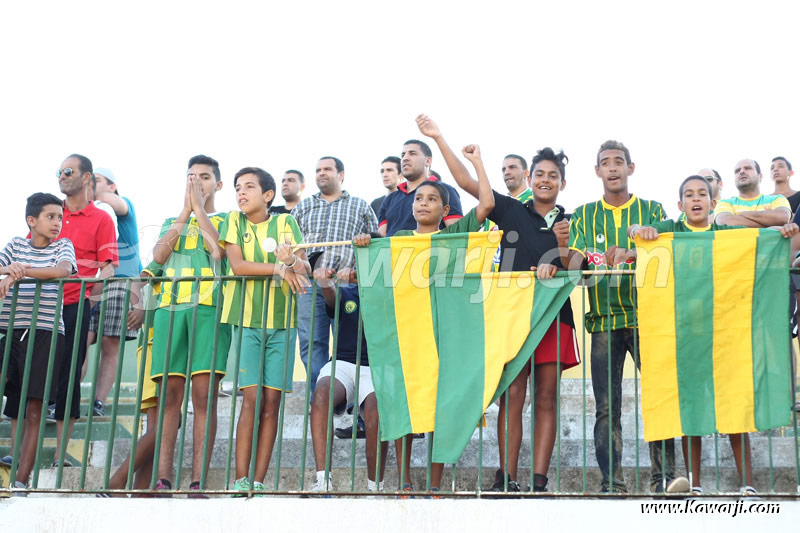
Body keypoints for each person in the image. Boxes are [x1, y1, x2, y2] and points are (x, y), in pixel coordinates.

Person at [415, 115, 580, 493]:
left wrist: (561, 248)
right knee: (512, 396)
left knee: (546, 399)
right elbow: (465, 183)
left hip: (555, 318)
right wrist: (440, 138)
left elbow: (578, 267)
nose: (545, 180)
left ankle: (538, 480)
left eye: (553, 175)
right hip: (511, 318)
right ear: (529, 177)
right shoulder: (510, 208)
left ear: (562, 183)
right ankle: (506, 478)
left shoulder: (573, 218)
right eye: (539, 173)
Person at [631, 175, 798, 495]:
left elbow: (766, 241)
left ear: (713, 202)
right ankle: (694, 485)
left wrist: (784, 233)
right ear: (680, 205)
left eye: (702, 194)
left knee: (734, 407)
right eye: (689, 195)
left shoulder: (728, 233)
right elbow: (634, 233)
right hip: (686, 337)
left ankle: (747, 484)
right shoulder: (672, 231)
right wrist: (639, 231)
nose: (696, 199)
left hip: (726, 335)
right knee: (691, 409)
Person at [354, 140, 494, 494]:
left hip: (442, 337)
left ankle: (433, 484)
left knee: (436, 412)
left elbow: (488, 204)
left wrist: (477, 162)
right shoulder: (398, 239)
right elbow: (375, 269)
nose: (422, 204)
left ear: (445, 208)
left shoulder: (452, 236)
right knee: (402, 406)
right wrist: (365, 243)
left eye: (431, 199)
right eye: (418, 199)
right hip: (406, 337)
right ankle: (403, 482)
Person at [563, 141, 686, 493]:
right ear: (597, 171)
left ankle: (664, 480)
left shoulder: (652, 209)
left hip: (649, 319)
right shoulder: (584, 215)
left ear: (631, 168)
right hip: (603, 320)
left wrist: (636, 249)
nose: (613, 167)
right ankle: (612, 483)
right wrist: (581, 260)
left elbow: (668, 247)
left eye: (619, 162)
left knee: (659, 396)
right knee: (606, 407)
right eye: (606, 163)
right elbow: (577, 264)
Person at [221, 167, 310, 493]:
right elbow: (238, 266)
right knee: (252, 400)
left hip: (282, 326)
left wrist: (291, 263)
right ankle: (239, 479)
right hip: (248, 323)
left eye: (248, 187)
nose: (241, 193)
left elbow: (305, 268)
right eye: (237, 188)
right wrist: (277, 267)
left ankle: (257, 481)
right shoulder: (235, 221)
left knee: (272, 404)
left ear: (268, 195)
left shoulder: (285, 223)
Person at [147, 154, 232, 493]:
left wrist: (199, 210)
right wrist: (186, 211)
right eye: (191, 177)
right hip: (169, 310)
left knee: (203, 394)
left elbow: (217, 252)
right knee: (169, 395)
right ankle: (163, 477)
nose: (197, 183)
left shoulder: (228, 219)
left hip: (209, 308)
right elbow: (157, 256)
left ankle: (198, 479)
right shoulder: (173, 219)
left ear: (218, 184)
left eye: (205, 177)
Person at [0, 193, 76, 490]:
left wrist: (20, 272)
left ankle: (21, 481)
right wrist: (8, 270)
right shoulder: (15, 245)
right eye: (50, 216)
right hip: (13, 333)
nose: (57, 222)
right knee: (14, 403)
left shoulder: (62, 246)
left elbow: (63, 271)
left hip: (46, 333)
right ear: (32, 221)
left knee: (34, 409)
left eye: (60, 217)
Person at [51, 154, 118, 467]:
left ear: (87, 177)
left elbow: (108, 268)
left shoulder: (102, 218)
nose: (62, 176)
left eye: (68, 171)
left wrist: (89, 299)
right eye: (59, 171)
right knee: (29, 378)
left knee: (67, 380)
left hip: (76, 307)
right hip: (40, 307)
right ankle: (24, 450)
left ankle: (60, 454)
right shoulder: (49, 213)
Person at [291, 157, 378, 398]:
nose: (321, 173)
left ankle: (359, 410)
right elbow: (290, 245)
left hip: (347, 286)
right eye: (318, 170)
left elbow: (375, 241)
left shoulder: (360, 205)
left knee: (356, 345)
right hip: (308, 285)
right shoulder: (302, 207)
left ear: (341, 175)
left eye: (327, 169)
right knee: (312, 343)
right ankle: (320, 404)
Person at [309, 268, 387, 492]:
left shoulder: (391, 294)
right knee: (321, 393)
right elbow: (332, 298)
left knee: (375, 410)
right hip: (342, 363)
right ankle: (323, 482)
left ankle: (376, 489)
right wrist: (325, 282)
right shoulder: (349, 291)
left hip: (376, 367)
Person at [83, 167, 142, 416]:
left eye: (95, 180)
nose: (91, 185)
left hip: (120, 283)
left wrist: (85, 190)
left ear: (112, 186)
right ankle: (65, 398)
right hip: (92, 282)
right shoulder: (87, 215)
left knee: (110, 344)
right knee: (79, 342)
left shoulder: (121, 205)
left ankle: (98, 401)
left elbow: (108, 200)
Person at [377, 139, 464, 237]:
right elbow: (381, 239)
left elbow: (457, 235)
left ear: (428, 161)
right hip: (393, 252)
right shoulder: (389, 199)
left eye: (412, 153)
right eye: (403, 155)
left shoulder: (447, 191)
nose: (405, 158)